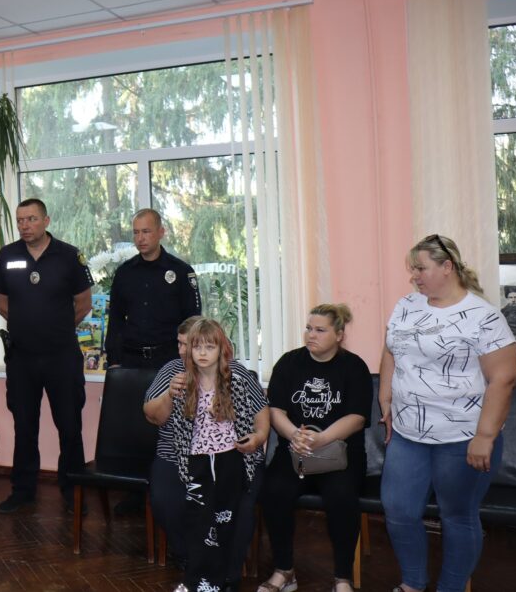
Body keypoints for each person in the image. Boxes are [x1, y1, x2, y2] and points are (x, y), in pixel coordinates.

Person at [380, 234, 516, 592]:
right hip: (409, 435)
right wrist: (385, 396)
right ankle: (413, 583)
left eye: (421, 268)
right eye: (413, 269)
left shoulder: (483, 316)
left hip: (463, 438)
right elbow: (392, 348)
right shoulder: (407, 305)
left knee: (457, 516)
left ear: (447, 267)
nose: (414, 276)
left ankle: (451, 588)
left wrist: (485, 437)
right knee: (398, 510)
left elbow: (504, 378)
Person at [257, 304, 373, 592]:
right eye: (309, 328)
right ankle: (284, 571)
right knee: (274, 491)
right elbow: (276, 410)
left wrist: (321, 439)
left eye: (320, 330)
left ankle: (342, 578)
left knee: (342, 496)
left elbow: (357, 418)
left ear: (339, 335)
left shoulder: (354, 367)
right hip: (295, 451)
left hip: (340, 454)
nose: (311, 335)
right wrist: (294, 435)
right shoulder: (289, 363)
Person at [149, 317, 268, 592]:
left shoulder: (236, 377)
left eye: (209, 347)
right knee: (198, 519)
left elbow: (260, 411)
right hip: (194, 461)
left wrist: (258, 438)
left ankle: (226, 577)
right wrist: (169, 395)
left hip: (231, 459)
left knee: (229, 516)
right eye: (194, 346)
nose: (199, 353)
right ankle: (197, 577)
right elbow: (153, 415)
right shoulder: (178, 377)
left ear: (222, 348)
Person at [0, 198, 93, 514]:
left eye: (31, 219)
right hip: (22, 358)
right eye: (20, 220)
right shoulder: (7, 256)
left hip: (62, 357)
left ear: (46, 221)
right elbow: (0, 301)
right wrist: (27, 327)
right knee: (24, 426)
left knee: (70, 426)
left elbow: (83, 303)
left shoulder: (69, 256)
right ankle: (23, 491)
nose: (25, 226)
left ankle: (73, 491)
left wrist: (56, 329)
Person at [106, 208, 202, 369]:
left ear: (161, 232)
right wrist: (114, 360)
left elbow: (193, 320)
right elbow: (116, 320)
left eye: (146, 231)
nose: (140, 238)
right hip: (131, 360)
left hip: (170, 360)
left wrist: (189, 361)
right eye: (136, 232)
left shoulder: (181, 271)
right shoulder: (124, 273)